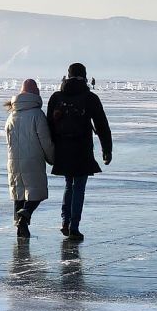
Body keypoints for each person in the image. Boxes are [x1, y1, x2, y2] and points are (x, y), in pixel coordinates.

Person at [47, 62, 112, 242]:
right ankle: (74, 227)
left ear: (67, 76)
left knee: (69, 184)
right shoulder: (90, 98)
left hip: (62, 148)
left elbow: (49, 126)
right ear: (85, 76)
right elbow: (102, 126)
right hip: (82, 148)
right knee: (79, 186)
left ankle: (65, 221)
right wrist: (107, 150)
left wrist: (49, 150)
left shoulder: (56, 97)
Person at [5, 79, 55, 239]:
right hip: (33, 159)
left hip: (13, 161)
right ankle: (25, 214)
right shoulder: (37, 115)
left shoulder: (12, 116)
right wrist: (52, 158)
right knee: (36, 192)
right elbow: (45, 141)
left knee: (19, 194)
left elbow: (9, 141)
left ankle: (20, 228)